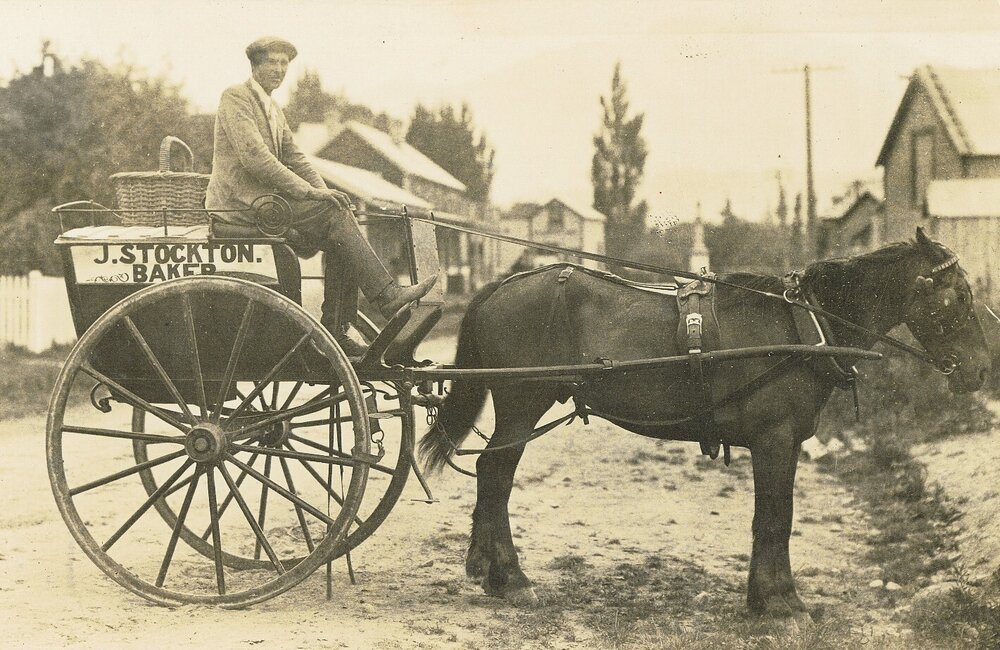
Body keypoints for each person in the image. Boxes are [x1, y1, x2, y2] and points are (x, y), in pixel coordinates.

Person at [205, 36, 437, 356]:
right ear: (255, 65)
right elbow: (256, 158)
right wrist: (308, 192)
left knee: (338, 212)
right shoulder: (236, 98)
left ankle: (336, 329)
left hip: (267, 205)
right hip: (238, 205)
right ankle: (387, 298)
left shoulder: (273, 108)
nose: (279, 69)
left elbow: (296, 157)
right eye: (271, 62)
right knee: (333, 216)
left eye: (284, 63)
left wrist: (324, 192)